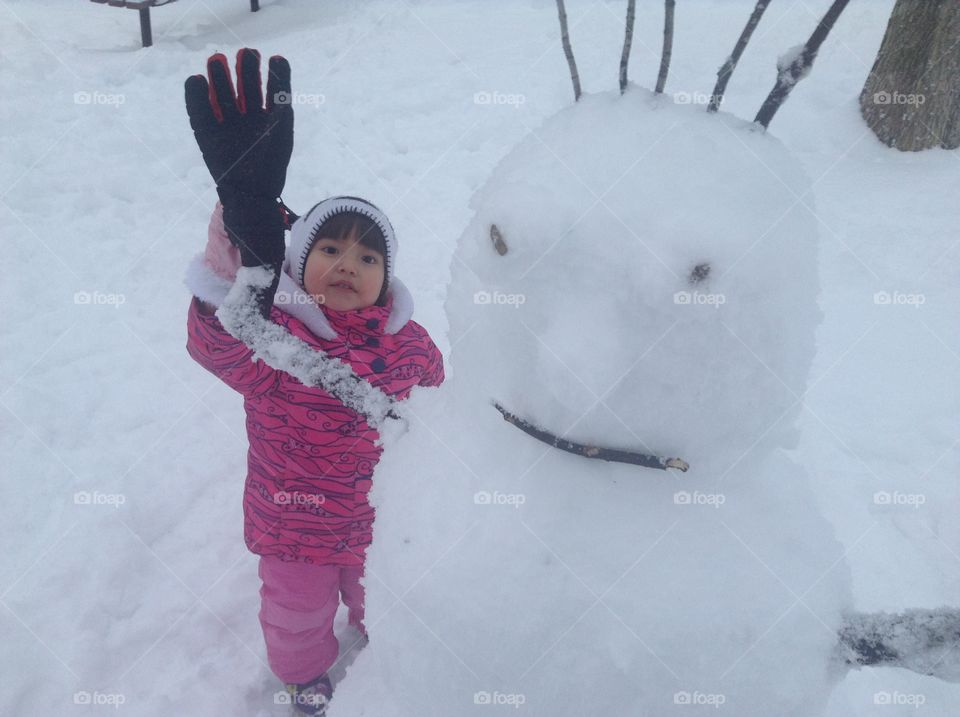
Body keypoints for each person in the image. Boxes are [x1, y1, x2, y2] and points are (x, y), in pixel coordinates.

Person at [182, 49, 444, 716]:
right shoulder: (277, 339)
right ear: (301, 263)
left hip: (380, 517)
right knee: (297, 611)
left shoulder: (407, 343)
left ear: (387, 278)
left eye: (366, 255)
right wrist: (242, 233)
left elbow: (444, 409)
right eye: (329, 249)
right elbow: (218, 340)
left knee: (383, 593)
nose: (347, 264)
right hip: (294, 519)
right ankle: (304, 679)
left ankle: (400, 657)